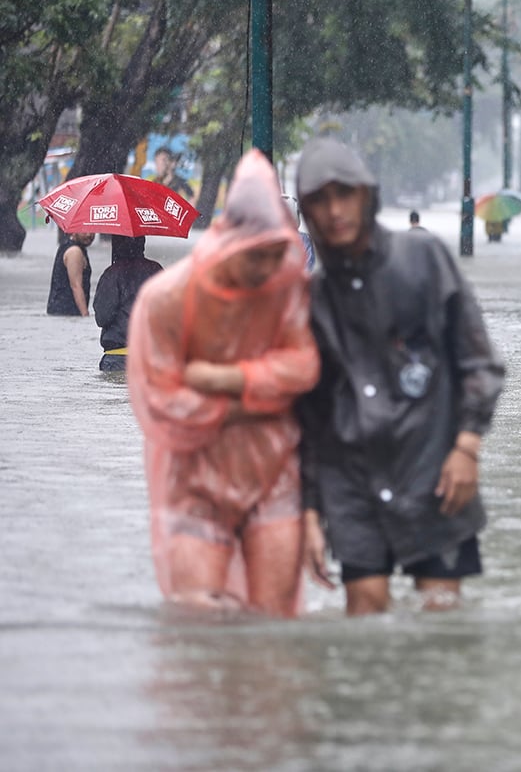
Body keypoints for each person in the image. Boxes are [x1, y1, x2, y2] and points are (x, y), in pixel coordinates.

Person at [294, 138, 506, 616]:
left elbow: (478, 361)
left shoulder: (422, 257)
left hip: (433, 466)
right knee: (364, 613)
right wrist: (309, 510)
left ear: (366, 196)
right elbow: (313, 415)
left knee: (442, 612)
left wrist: (467, 447)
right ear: (306, 212)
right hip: (352, 481)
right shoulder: (314, 298)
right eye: (319, 201)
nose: (334, 211)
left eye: (344, 194)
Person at [126, 149, 321, 617]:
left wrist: (222, 379)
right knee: (197, 614)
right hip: (193, 478)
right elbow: (160, 401)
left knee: (275, 618)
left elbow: (306, 368)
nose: (266, 270)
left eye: (276, 255)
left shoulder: (285, 292)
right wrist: (257, 401)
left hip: (272, 473)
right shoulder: (167, 299)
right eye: (257, 256)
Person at [92, 235, 163, 371]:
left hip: (117, 358)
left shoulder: (111, 274)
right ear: (142, 243)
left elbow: (102, 318)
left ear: (116, 244)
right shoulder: (156, 270)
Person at [47, 230, 94, 316]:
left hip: (59, 312)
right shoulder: (75, 251)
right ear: (74, 231)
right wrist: (85, 314)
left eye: (92, 231)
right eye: (84, 231)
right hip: (66, 313)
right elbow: (76, 286)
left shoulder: (69, 246)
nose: (89, 234)